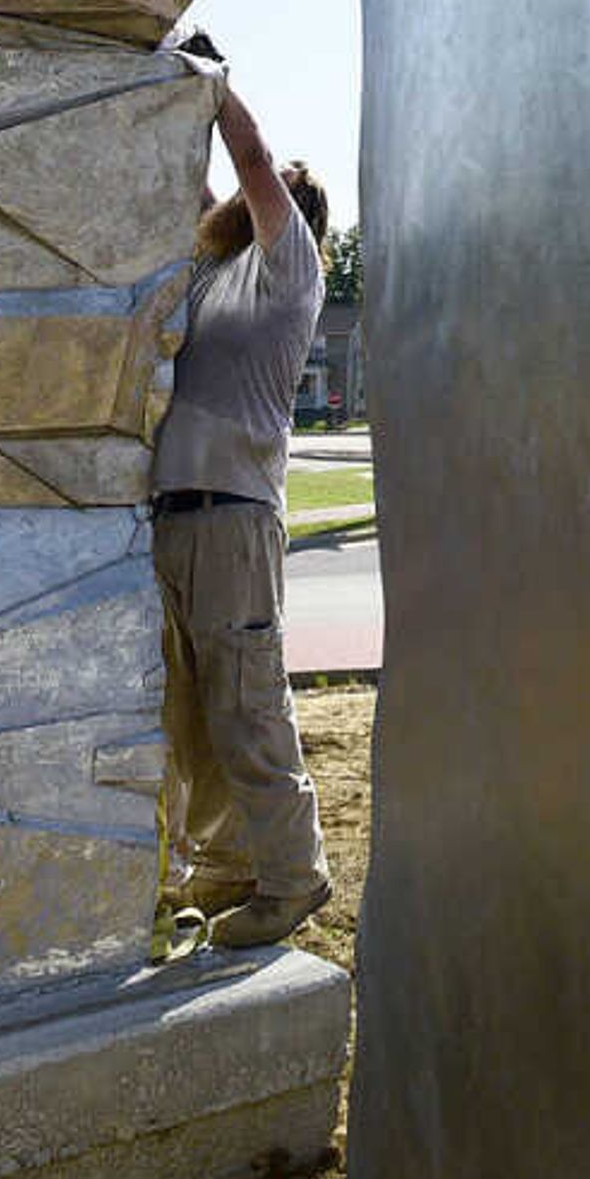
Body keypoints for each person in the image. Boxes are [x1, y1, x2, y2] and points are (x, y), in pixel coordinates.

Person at [150, 73, 334, 952]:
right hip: (176, 514)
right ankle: (227, 865)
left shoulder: (288, 269)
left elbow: (250, 163)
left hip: (234, 515)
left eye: (278, 185)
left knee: (246, 698)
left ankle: (295, 877)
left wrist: (216, 89)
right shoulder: (219, 270)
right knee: (192, 711)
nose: (264, 185)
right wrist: (167, 95)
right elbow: (207, 187)